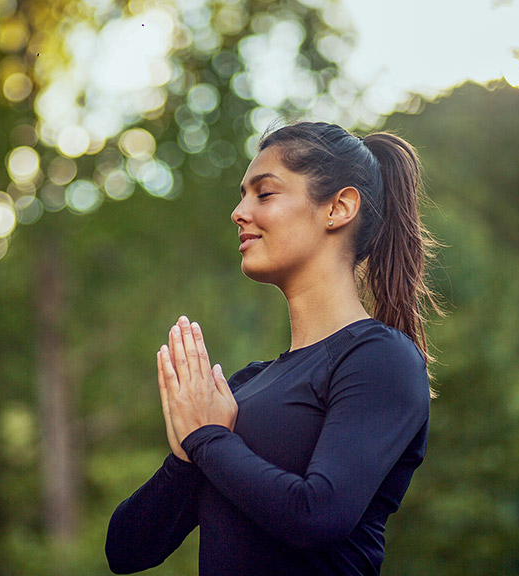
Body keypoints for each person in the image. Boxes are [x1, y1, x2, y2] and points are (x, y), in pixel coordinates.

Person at [105, 121, 440, 575]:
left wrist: (207, 439)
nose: (239, 212)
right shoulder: (243, 388)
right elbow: (126, 551)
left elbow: (317, 515)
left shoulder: (383, 359)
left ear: (338, 208)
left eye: (264, 194)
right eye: (243, 195)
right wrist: (189, 451)